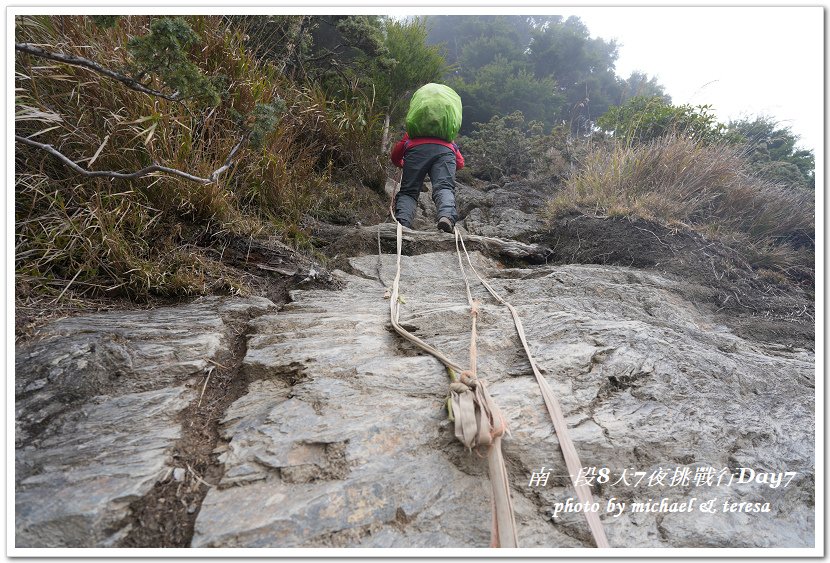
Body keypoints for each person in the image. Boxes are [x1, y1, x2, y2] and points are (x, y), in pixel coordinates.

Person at [390, 82, 465, 233]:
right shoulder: (448, 140)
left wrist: (402, 163)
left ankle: (403, 224)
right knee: (444, 187)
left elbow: (395, 155)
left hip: (416, 151)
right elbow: (460, 163)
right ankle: (446, 217)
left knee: (409, 191)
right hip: (445, 153)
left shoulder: (411, 135)